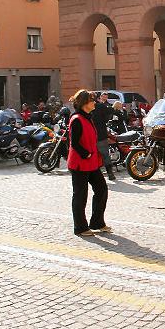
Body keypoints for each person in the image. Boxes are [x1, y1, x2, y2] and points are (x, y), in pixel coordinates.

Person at [67, 90, 110, 236]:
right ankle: (80, 227)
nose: (94, 103)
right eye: (92, 100)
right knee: (80, 195)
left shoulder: (87, 117)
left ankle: (97, 222)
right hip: (80, 163)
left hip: (91, 163)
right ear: (84, 103)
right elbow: (74, 143)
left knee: (101, 189)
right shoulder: (77, 119)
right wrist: (86, 153)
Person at [92, 92, 116, 181]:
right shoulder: (100, 106)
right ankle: (110, 173)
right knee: (105, 154)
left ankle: (94, 175)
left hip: (90, 134)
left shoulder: (86, 108)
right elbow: (109, 113)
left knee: (92, 155)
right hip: (101, 134)